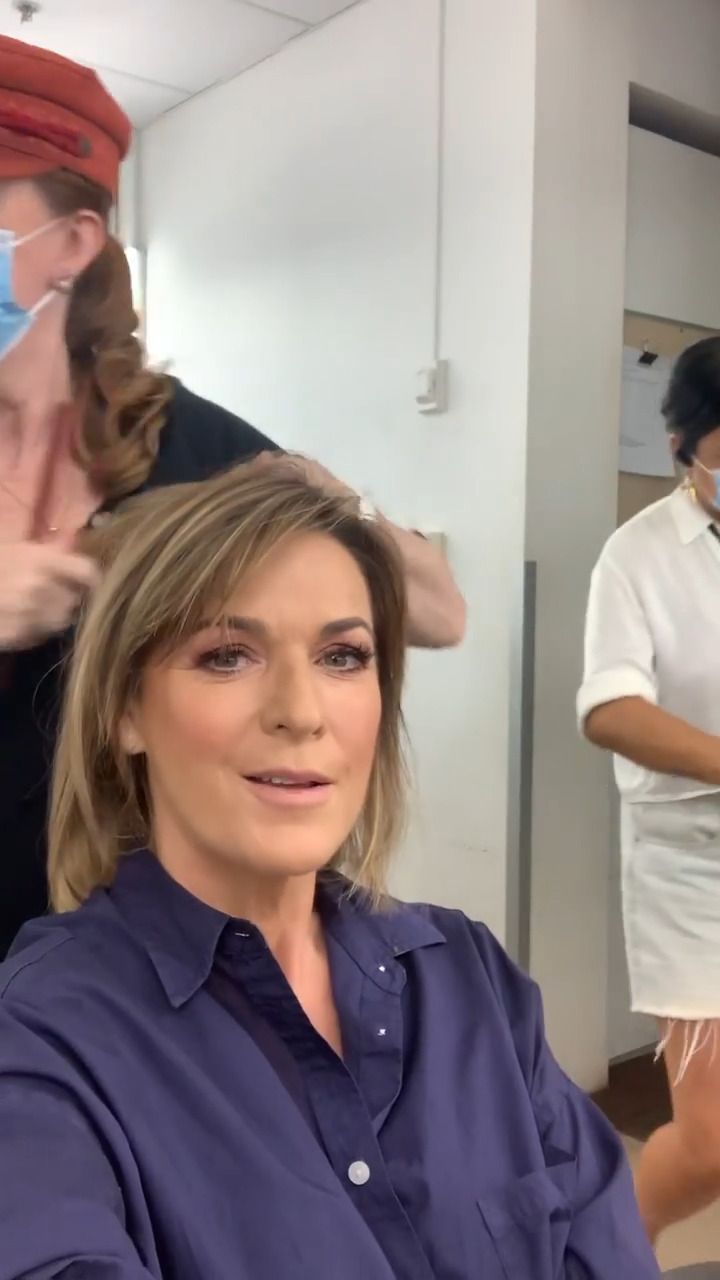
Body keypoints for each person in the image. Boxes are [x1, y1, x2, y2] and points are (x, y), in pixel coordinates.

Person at [0, 463, 657, 1280]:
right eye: (227, 655)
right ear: (124, 710)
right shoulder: (44, 1038)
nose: (301, 712)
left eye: (342, 656)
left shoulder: (469, 978)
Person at [0, 36, 465, 959]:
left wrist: (337, 502)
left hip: (139, 957)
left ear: (72, 245)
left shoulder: (188, 448)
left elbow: (438, 612)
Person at [578, 334, 720, 1243]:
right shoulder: (637, 556)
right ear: (682, 447)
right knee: (709, 1143)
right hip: (693, 866)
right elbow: (611, 709)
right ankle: (595, 1258)